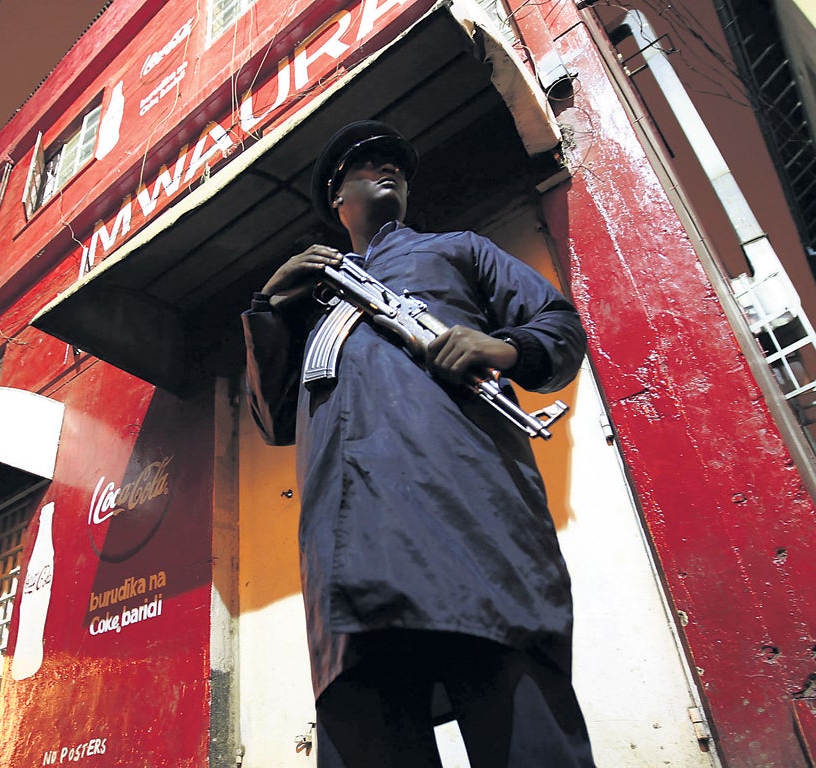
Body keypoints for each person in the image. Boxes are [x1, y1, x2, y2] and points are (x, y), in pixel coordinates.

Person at [242, 120, 594, 767]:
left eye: (395, 161)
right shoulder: (309, 303)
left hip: (471, 523)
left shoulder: (460, 249)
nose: (388, 168)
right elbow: (274, 418)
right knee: (371, 737)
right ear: (335, 197)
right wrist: (270, 303)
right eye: (364, 163)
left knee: (525, 732)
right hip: (350, 557)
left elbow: (560, 326)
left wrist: (502, 347)